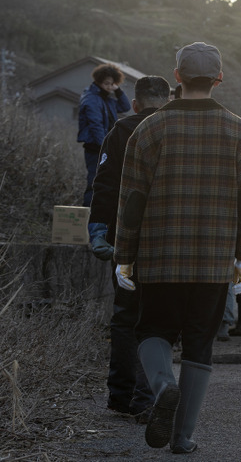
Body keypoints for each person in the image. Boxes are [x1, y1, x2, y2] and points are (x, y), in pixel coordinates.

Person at [113, 42, 241, 453]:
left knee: (152, 331)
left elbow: (132, 201)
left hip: (159, 257)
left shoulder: (148, 129)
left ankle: (162, 387)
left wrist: (124, 255)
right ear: (219, 78)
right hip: (214, 262)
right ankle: (182, 438)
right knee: (200, 343)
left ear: (176, 77)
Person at [88, 75, 172, 423]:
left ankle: (122, 396)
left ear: (135, 104)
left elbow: (104, 185)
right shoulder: (174, 129)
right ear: (166, 102)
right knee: (159, 319)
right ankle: (150, 396)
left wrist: (98, 231)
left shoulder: (120, 132)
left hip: (126, 239)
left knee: (126, 317)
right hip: (169, 241)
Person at [77, 63, 131, 206]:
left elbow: (125, 106)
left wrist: (118, 90)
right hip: (95, 147)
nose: (109, 86)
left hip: (104, 147)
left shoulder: (107, 99)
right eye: (106, 83)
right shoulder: (91, 98)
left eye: (112, 83)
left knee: (105, 182)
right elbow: (96, 125)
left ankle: (97, 216)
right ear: (99, 81)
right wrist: (104, 147)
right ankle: (88, 213)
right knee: (94, 181)